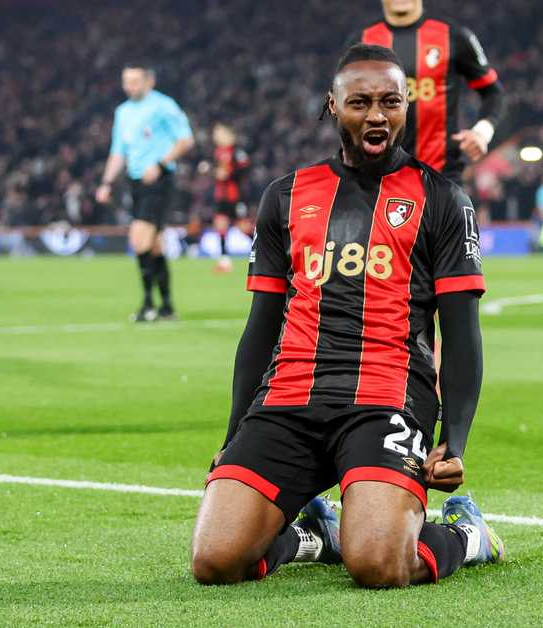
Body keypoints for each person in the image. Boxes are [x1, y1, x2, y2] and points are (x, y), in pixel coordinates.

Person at [191, 44, 503, 588]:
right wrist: (234, 430)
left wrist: (453, 441)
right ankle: (314, 536)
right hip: (289, 395)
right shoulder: (285, 196)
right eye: (360, 102)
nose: (377, 114)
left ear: (408, 106)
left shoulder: (442, 200)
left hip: (387, 397)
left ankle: (466, 534)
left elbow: (461, 332)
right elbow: (261, 326)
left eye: (390, 101)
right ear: (332, 106)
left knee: (379, 565)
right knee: (216, 561)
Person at [351, 0, 505, 182]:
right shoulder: (361, 42)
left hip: (442, 178)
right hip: (379, 181)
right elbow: (341, 103)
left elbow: (493, 92)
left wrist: (481, 132)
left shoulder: (453, 36)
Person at [95, 62, 195, 322]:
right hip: (136, 182)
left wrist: (161, 164)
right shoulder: (122, 112)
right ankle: (167, 307)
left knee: (138, 239)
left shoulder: (164, 106)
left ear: (150, 81)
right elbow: (118, 151)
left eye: (135, 81)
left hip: (159, 180)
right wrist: (106, 182)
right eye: (126, 80)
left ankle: (148, 305)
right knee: (154, 246)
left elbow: (186, 140)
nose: (129, 86)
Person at [210, 123, 250, 273]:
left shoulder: (237, 151)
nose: (215, 136)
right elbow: (216, 170)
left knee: (244, 227)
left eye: (218, 133)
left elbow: (245, 170)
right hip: (221, 197)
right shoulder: (218, 152)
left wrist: (229, 175)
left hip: (236, 197)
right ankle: (224, 261)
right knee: (220, 225)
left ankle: (266, 252)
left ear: (228, 134)